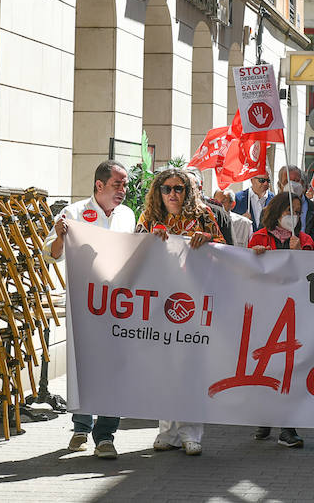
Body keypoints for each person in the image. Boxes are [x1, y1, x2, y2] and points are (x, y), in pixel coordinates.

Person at [48, 160, 134, 459]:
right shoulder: (72, 213)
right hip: (85, 303)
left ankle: (106, 435)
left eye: (124, 184)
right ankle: (81, 427)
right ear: (99, 185)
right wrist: (60, 235)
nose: (123, 190)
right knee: (84, 366)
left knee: (116, 368)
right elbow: (51, 256)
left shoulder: (127, 215)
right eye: (117, 184)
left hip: (119, 304)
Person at [137, 169, 223, 456]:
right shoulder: (149, 217)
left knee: (191, 366)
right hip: (161, 299)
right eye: (166, 188)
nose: (172, 193)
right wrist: (151, 238)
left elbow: (225, 250)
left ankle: (191, 433)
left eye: (178, 188)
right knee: (166, 367)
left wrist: (206, 239)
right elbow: (133, 248)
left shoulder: (204, 215)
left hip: (195, 300)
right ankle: (167, 430)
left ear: (188, 190)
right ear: (158, 192)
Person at [248, 195, 314, 448]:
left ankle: (287, 427)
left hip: (296, 313)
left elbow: (313, 275)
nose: (293, 216)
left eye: (297, 212)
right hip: (266, 313)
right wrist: (254, 256)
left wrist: (300, 254)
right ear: (276, 212)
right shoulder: (259, 238)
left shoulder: (304, 240)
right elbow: (247, 273)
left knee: (290, 369)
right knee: (268, 367)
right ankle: (266, 416)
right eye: (289, 210)